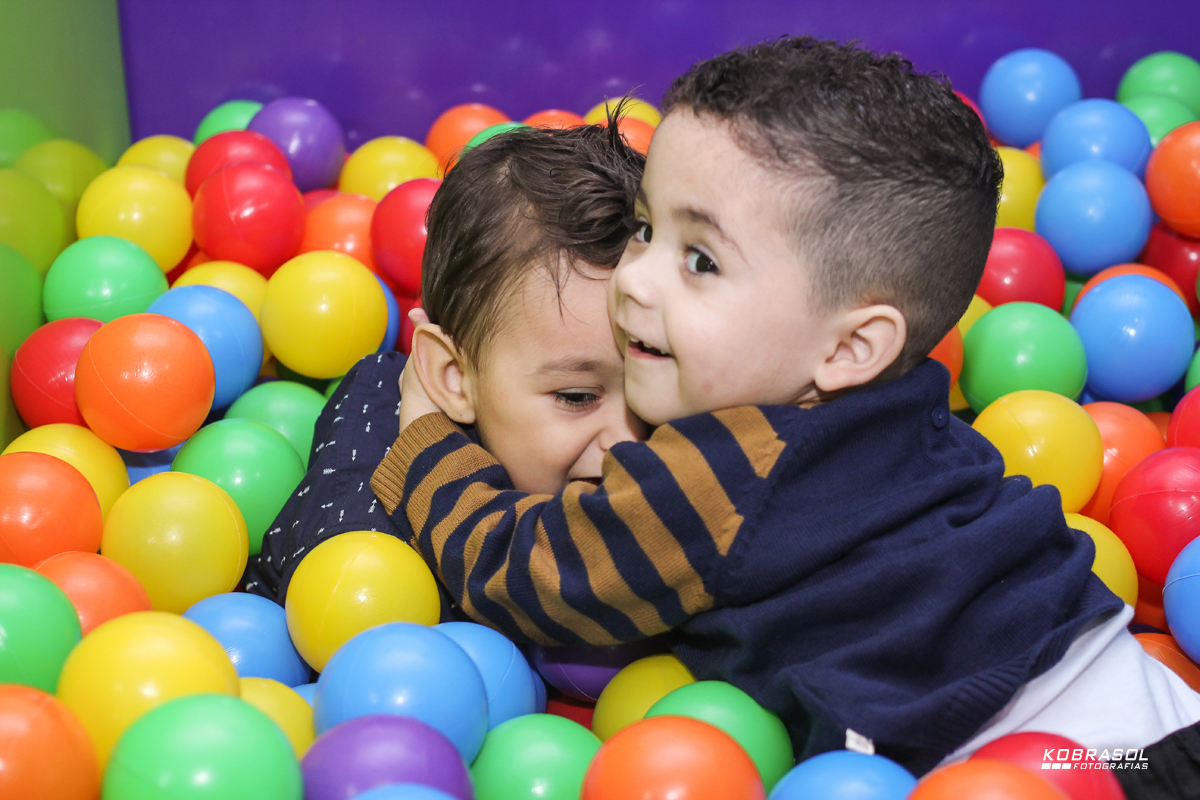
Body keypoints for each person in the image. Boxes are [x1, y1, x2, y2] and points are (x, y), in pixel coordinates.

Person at [370, 36, 1200, 781]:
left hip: (1056, 760)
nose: (635, 278)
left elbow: (525, 570)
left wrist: (426, 442)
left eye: (698, 259)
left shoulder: (727, 472)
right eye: (646, 227)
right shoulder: (900, 401)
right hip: (1143, 702)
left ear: (847, 349)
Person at [241, 118, 646, 603]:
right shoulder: (367, 537)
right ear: (455, 378)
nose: (630, 440)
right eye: (577, 397)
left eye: (655, 381)